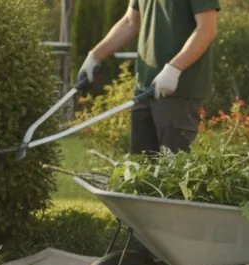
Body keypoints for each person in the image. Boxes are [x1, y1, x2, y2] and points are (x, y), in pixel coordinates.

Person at [79, 0, 219, 155]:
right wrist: (95, 56)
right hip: (144, 88)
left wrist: (175, 68)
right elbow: (130, 22)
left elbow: (206, 29)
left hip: (178, 91)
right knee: (142, 169)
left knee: (174, 170)